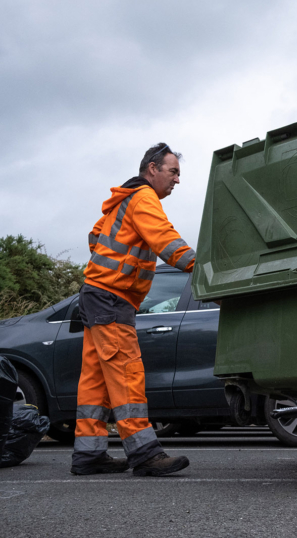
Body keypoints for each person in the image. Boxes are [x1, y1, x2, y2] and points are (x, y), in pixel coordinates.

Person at [71, 143, 195, 477]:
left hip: (98, 295)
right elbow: (166, 241)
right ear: (152, 169)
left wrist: (110, 268)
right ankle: (145, 453)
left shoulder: (123, 200)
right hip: (111, 299)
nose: (177, 181)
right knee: (127, 372)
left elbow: (95, 236)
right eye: (173, 172)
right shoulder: (144, 198)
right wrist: (201, 267)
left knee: (95, 381)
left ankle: (89, 454)